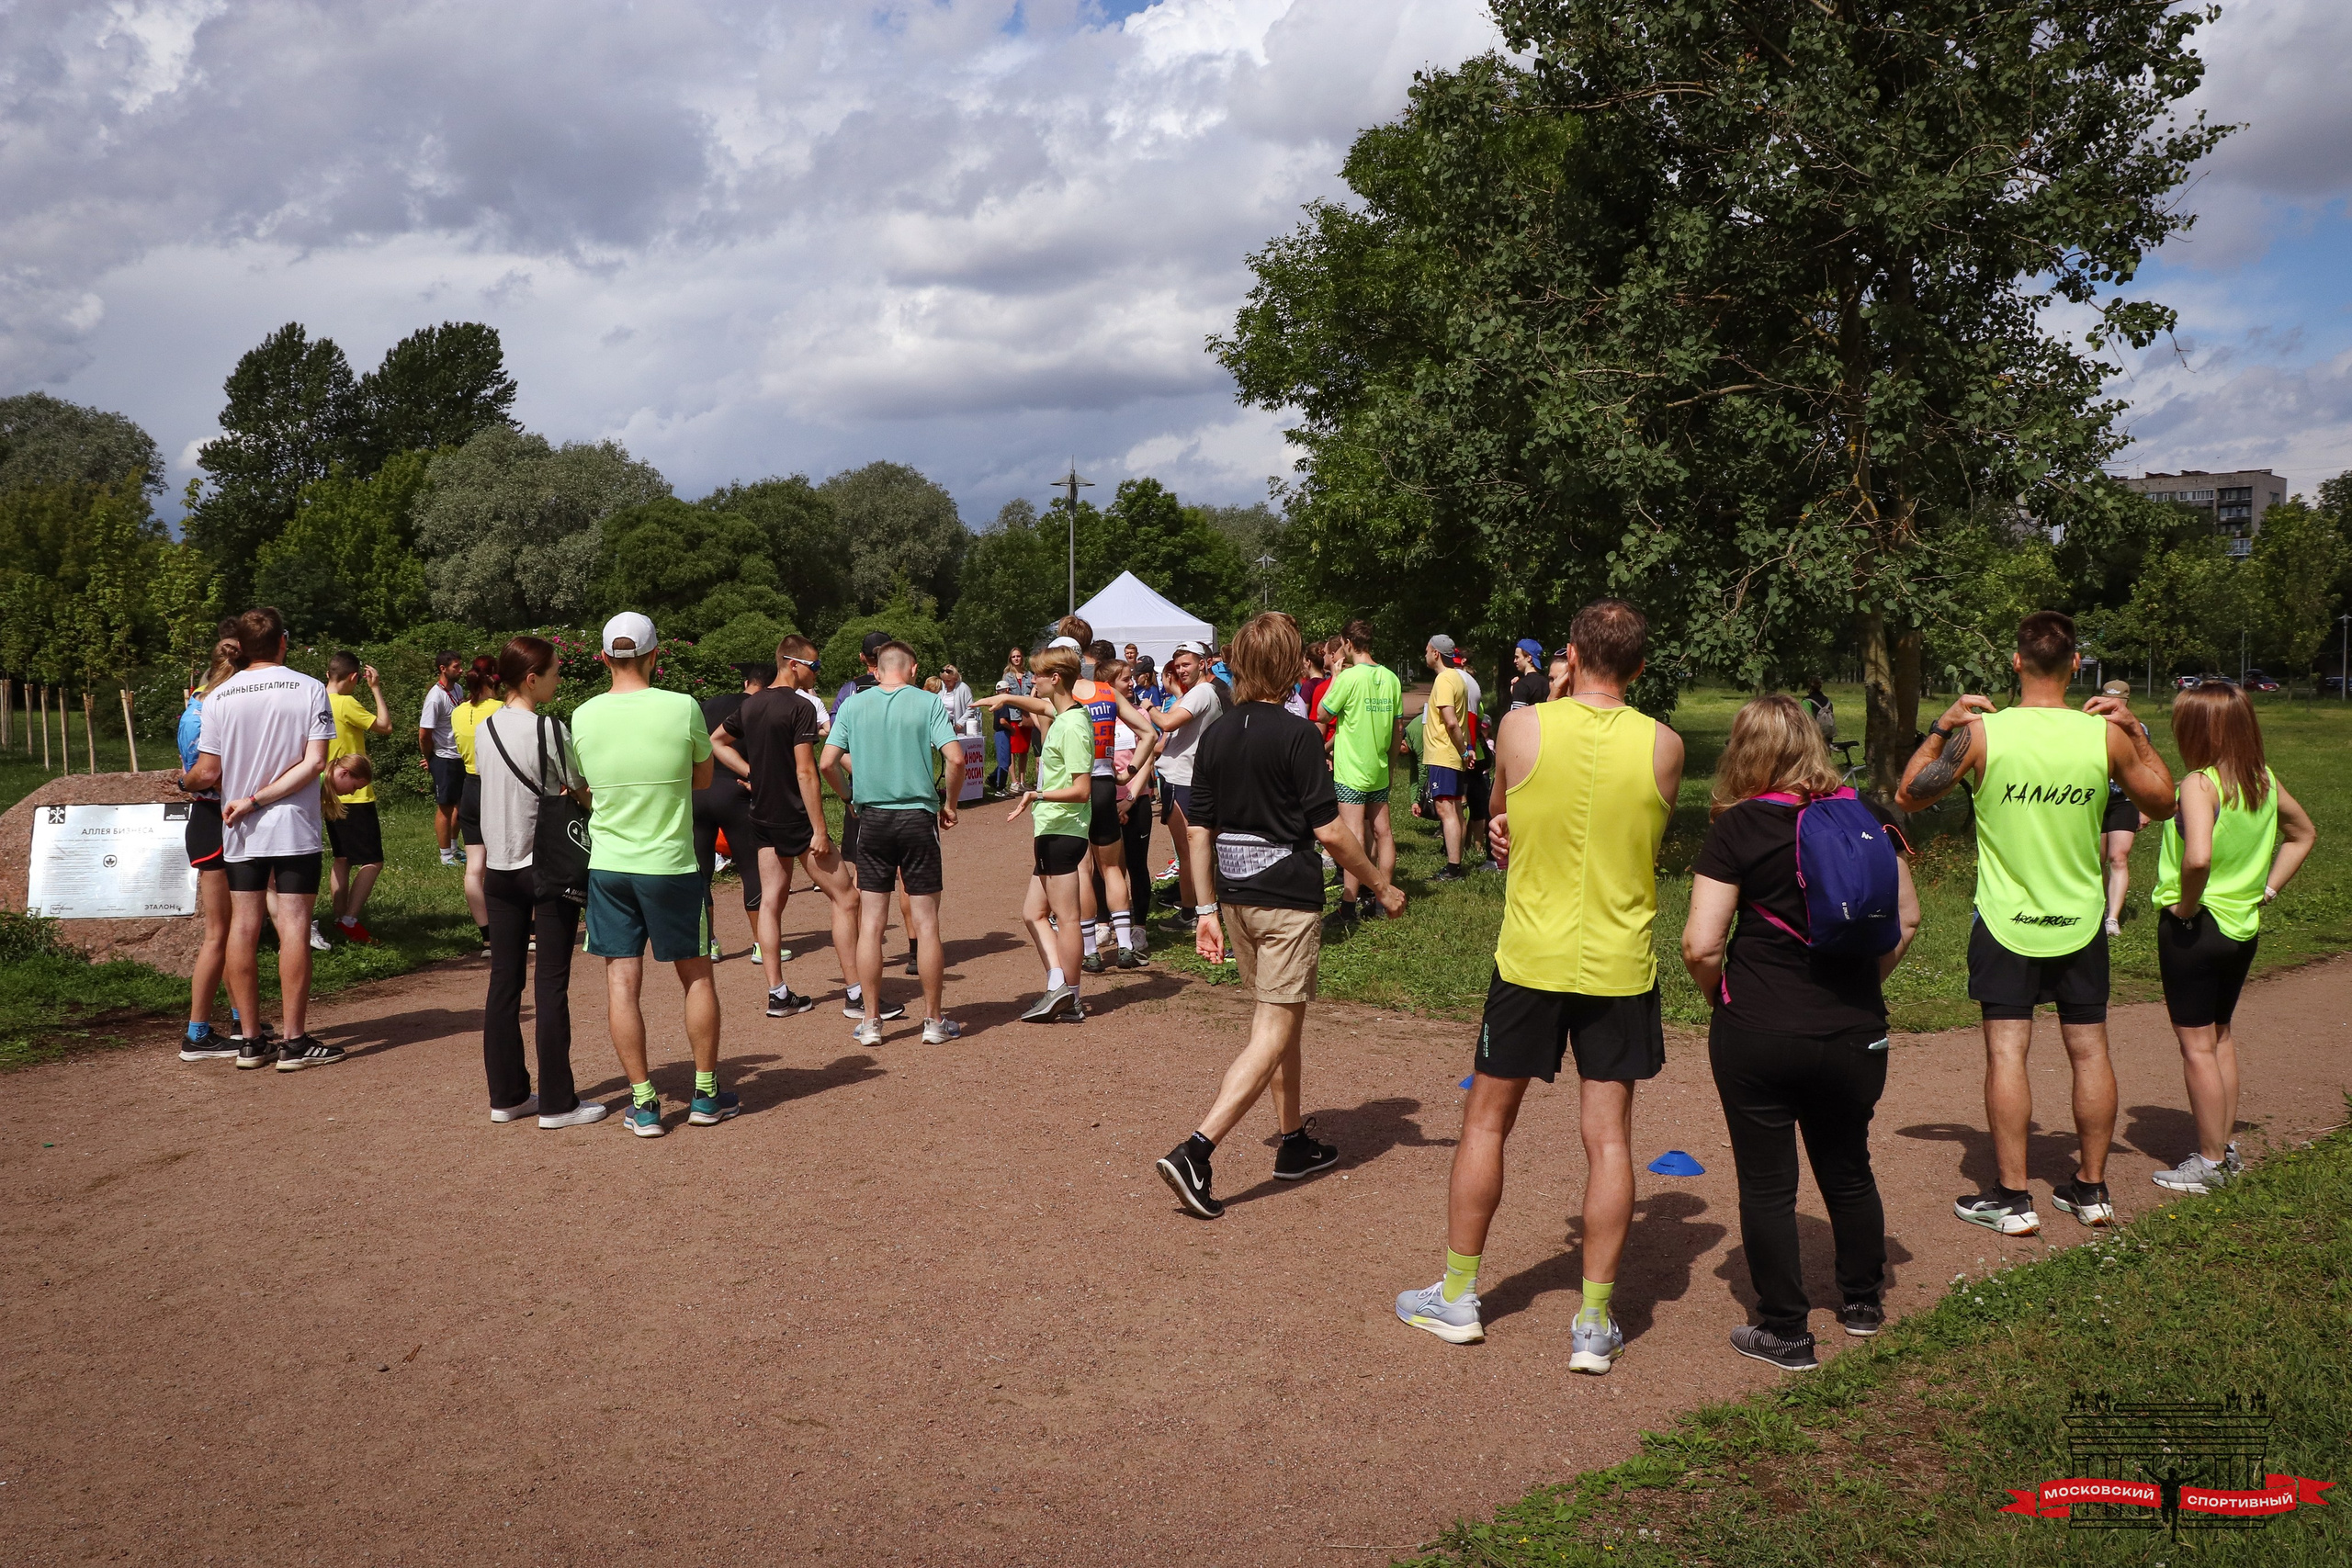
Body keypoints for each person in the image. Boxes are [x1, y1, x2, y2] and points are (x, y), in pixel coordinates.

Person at [1393, 600, 1682, 1369]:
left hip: (1532, 955)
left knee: (1486, 1122)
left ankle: (1458, 1297)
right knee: (1610, 1138)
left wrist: (1506, 815)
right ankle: (1592, 1323)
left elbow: (1503, 812)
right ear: (1642, 668)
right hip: (1618, 962)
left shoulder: (1524, 726)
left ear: (1573, 656)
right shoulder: (1667, 745)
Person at [1896, 610, 2175, 1235]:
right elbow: (2164, 799)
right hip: (2080, 919)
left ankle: (2014, 1197)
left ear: (2016, 663)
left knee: (2007, 1052)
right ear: (2077, 664)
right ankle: (2092, 1190)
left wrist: (1942, 727)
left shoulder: (1984, 734)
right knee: (2089, 1048)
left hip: (2005, 918)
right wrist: (2138, 730)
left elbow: (1910, 792)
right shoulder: (2103, 736)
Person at [1681, 696, 1922, 1371]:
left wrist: (1720, 1000)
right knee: (1848, 1166)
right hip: (1853, 1030)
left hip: (1757, 1028)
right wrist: (1863, 985)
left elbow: (1701, 944)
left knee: (1767, 1183)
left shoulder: (1738, 827)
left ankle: (1785, 1329)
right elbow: (1906, 920)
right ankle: (1862, 1301)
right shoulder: (1870, 817)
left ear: (1743, 750)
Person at [1155, 613, 1405, 1219]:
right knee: (1272, 1029)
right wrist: (1379, 885)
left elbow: (1199, 832)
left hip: (1236, 898)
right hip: (1286, 899)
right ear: (1294, 666)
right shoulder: (1297, 734)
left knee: (1279, 1021)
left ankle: (1291, 1141)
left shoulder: (1215, 733)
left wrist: (1206, 908)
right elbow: (1333, 833)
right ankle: (1196, 1149)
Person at [570, 612, 735, 1137]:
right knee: (697, 977)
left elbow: (583, 786)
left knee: (622, 982)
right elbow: (704, 778)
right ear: (654, 656)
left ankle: (644, 1103)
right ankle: (705, 1094)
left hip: (609, 867)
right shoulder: (682, 707)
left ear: (603, 660)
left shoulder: (582, 715)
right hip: (671, 865)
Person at [2148, 682, 2316, 1194]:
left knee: (2196, 1046)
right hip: (2241, 928)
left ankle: (2209, 1162)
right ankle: (2223, 1150)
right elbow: (2303, 833)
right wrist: (2266, 888)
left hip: (2196, 930)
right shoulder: (2260, 779)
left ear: (2198, 729)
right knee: (2220, 1035)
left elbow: (2197, 856)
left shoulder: (2199, 784)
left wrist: (2185, 906)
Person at [184, 606, 342, 1071]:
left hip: (239, 827)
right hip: (292, 824)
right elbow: (315, 763)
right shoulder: (310, 688)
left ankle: (250, 1041)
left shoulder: (218, 697)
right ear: (282, 642)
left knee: (243, 927)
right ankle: (294, 1043)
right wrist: (259, 798)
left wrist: (187, 784)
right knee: (293, 924)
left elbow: (208, 772)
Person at [473, 636, 606, 1128]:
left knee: (503, 983)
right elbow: (580, 791)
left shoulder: (482, 727)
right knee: (551, 984)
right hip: (545, 865)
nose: (558, 679)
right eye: (553, 672)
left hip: (499, 868)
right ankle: (558, 1101)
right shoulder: (551, 729)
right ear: (532, 678)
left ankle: (507, 1096)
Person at [709, 634, 867, 1022]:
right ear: (792, 664)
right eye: (813, 666)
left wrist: (753, 774)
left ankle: (777, 994)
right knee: (847, 898)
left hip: (762, 816)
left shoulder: (751, 705)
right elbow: (806, 770)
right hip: (795, 817)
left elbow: (717, 741)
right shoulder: (800, 707)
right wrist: (819, 829)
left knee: (771, 902)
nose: (817, 674)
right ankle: (856, 994)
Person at [821, 641, 966, 1045]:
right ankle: (934, 1022)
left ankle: (870, 1023)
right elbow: (955, 759)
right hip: (918, 818)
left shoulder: (851, 704)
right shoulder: (928, 703)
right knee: (926, 922)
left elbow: (826, 762)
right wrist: (949, 804)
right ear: (914, 669)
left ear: (877, 670)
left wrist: (849, 797)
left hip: (873, 820)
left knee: (871, 923)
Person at [983, 644, 1095, 1021]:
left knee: (1067, 918)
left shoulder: (1074, 726)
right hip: (1051, 828)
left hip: (1065, 828)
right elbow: (1039, 707)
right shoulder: (1063, 713)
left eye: (1038, 676)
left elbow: (1082, 790)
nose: (1032, 682)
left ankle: (1073, 998)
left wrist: (1037, 793)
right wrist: (1001, 698)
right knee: (1033, 913)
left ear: (1056, 679)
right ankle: (1058, 987)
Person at [173, 637, 246, 1062]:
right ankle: (197, 1033)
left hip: (217, 819)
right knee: (220, 932)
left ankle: (242, 1018)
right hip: (212, 821)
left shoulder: (198, 705)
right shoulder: (205, 712)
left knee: (236, 928)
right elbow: (205, 774)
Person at [1317, 619, 1405, 921]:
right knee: (1383, 832)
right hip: (1379, 766)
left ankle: (1349, 905)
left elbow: (1322, 712)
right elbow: (1397, 730)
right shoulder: (1391, 678)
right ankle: (1386, 898)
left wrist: (1335, 676)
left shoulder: (1349, 678)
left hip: (1352, 769)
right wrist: (1391, 764)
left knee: (1353, 835)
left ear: (1347, 642)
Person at [694, 661, 771, 963]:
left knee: (700, 872)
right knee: (753, 868)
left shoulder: (706, 705)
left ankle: (708, 943)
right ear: (766, 686)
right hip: (737, 791)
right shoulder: (761, 708)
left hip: (699, 792)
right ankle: (760, 945)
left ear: (747, 681)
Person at [1147, 640, 1225, 925]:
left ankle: (1192, 910)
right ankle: (1200, 907)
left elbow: (1167, 723)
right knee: (1195, 848)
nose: (1180, 670)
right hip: (1186, 776)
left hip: (1182, 777)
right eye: (1177, 665)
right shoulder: (1203, 692)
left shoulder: (1202, 692)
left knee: (1188, 851)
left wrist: (1148, 707)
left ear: (1203, 663)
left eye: (1186, 664)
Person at [320, 652, 391, 947]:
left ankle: (339, 917)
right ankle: (350, 919)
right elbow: (385, 726)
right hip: (355, 792)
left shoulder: (315, 701)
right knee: (372, 860)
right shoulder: (347, 702)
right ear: (353, 678)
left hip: (327, 789)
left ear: (328, 674)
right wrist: (375, 688)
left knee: (342, 857)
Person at [451, 657, 503, 956]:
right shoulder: (501, 710)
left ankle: (488, 936)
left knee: (474, 868)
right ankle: (531, 931)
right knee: (515, 860)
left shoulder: (458, 713)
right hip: (497, 787)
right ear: (494, 679)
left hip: (470, 787)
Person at [1421, 634, 1474, 879]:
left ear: (1436, 654)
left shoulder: (1444, 680)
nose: (1425, 655)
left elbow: (1451, 722)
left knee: (1446, 810)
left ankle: (1453, 867)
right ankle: (1456, 863)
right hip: (1451, 754)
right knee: (1454, 808)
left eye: (1427, 650)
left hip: (1444, 753)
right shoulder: (1458, 678)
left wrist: (1463, 750)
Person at [2097, 679, 2145, 938]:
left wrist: (2145, 806)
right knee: (2097, 859)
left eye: (2119, 703)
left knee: (2119, 857)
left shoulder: (2138, 730)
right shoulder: (2090, 727)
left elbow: (2145, 770)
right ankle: (2102, 906)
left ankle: (2112, 919)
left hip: (2125, 800)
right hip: (2094, 800)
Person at [418, 649, 466, 866]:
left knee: (462, 806)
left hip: (461, 756)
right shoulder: (435, 698)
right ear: (443, 669)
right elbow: (424, 733)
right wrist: (430, 757)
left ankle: (455, 849)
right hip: (444, 758)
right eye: (457, 666)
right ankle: (445, 855)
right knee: (445, 807)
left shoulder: (458, 689)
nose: (461, 670)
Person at [993, 645, 1033, 795]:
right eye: (1014, 656)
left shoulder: (1029, 675)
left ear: (1022, 658)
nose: (1016, 659)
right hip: (1013, 715)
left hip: (1027, 715)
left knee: (1024, 750)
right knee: (1012, 750)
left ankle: (1022, 780)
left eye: (1019, 656)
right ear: (1011, 659)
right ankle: (1014, 781)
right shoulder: (1007, 676)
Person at [1506, 638, 1550, 712]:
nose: (1515, 661)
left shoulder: (1522, 685)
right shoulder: (1548, 683)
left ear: (1529, 658)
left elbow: (1518, 717)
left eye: (1517, 657)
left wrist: (1517, 692)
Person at [1802, 678, 1836, 744]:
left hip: (1814, 735)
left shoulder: (1807, 701)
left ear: (1809, 688)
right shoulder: (1827, 700)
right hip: (1827, 734)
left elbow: (1807, 719)